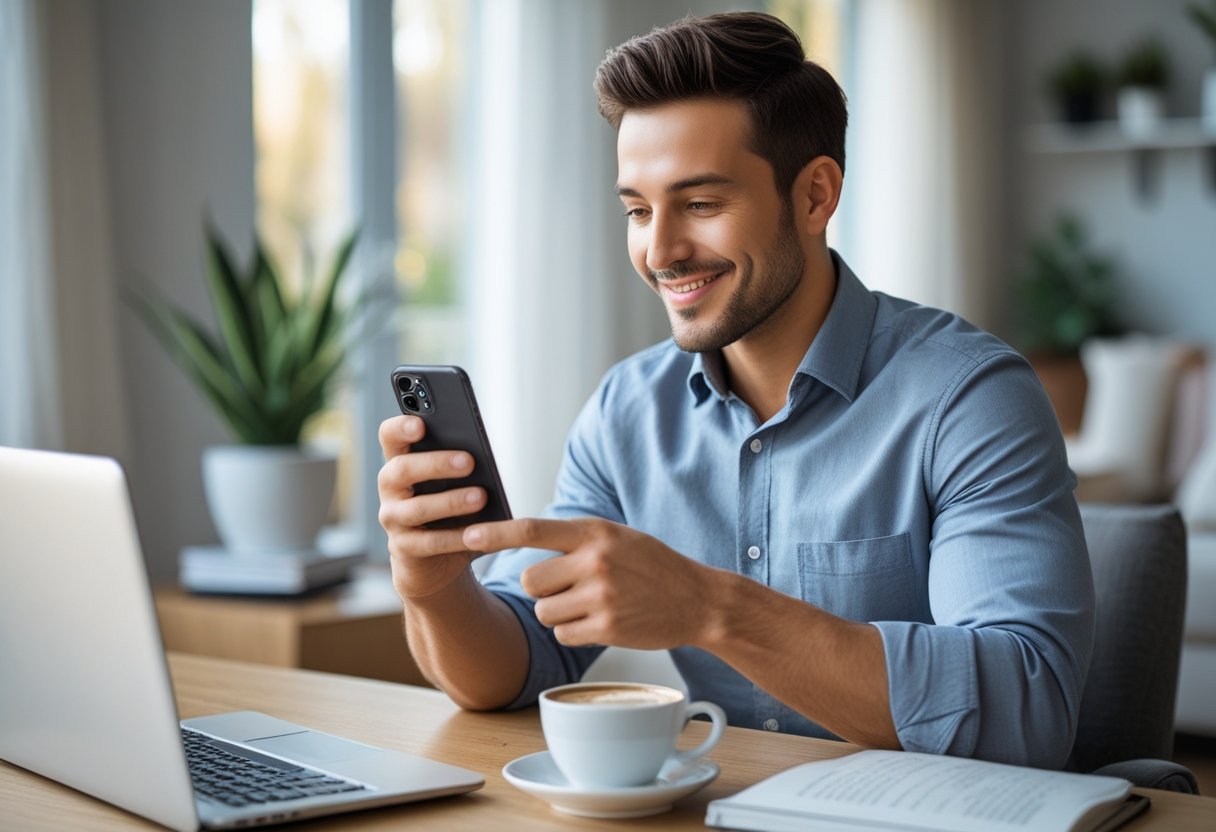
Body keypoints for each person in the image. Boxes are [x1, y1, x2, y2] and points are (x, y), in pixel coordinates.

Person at [377, 11, 1093, 768]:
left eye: (701, 205)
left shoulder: (970, 398)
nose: (659, 251)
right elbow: (516, 667)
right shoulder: (626, 412)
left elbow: (1029, 710)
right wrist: (434, 588)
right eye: (637, 211)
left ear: (815, 196)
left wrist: (709, 607)